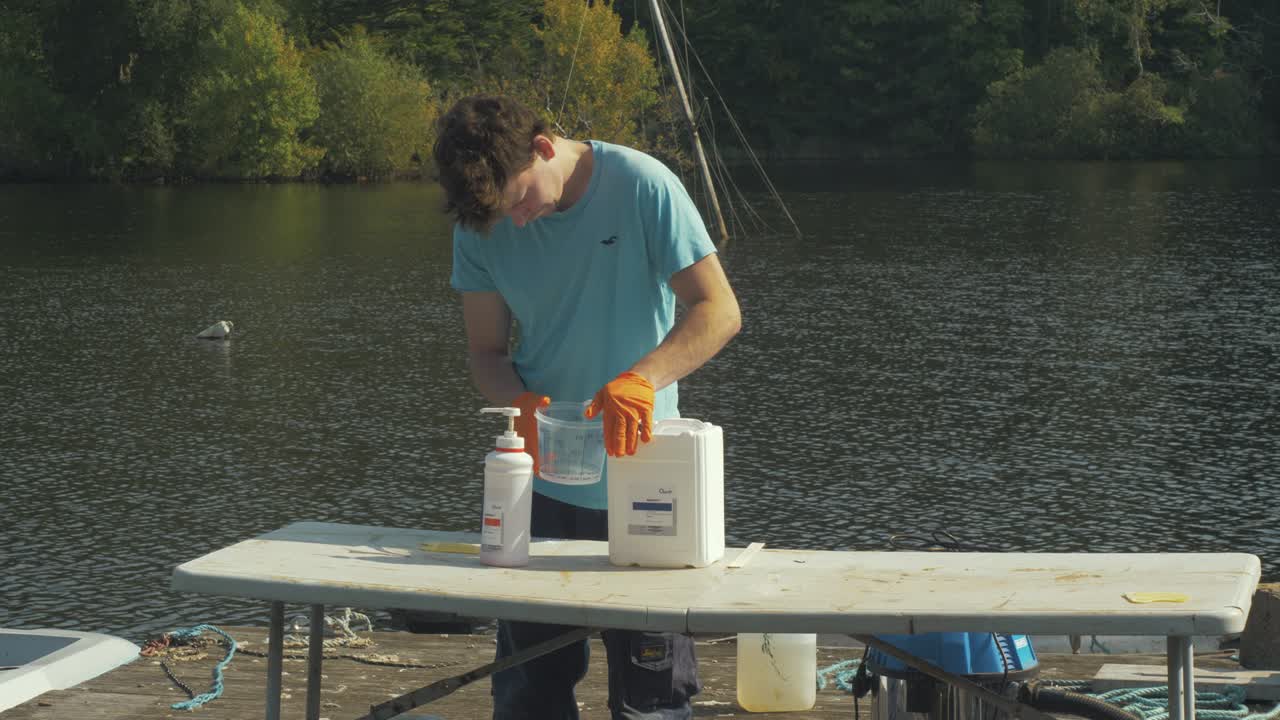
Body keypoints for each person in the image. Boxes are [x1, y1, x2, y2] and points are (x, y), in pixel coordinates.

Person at [433, 95, 741, 720]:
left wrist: (642, 380)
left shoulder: (642, 185)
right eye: (501, 212)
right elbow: (486, 354)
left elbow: (719, 310)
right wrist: (517, 404)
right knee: (529, 693)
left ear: (543, 148)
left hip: (648, 477)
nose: (517, 221)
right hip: (540, 488)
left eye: (521, 199)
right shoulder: (480, 224)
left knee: (654, 699)